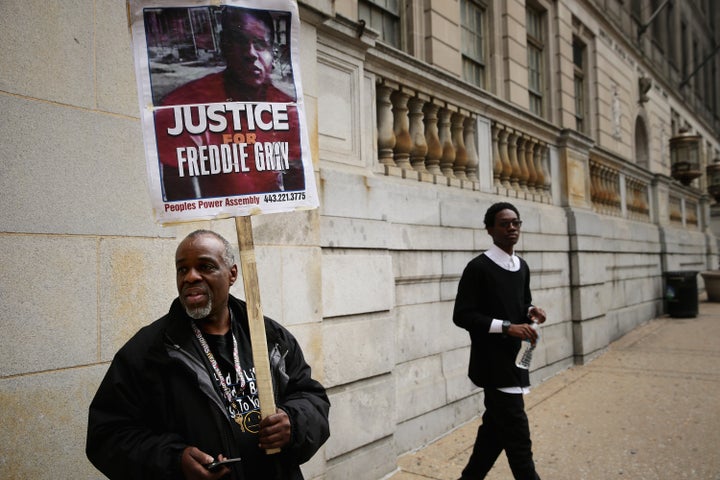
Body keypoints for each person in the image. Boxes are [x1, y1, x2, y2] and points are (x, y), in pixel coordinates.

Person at [87, 230, 330, 479]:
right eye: (182, 269)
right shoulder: (148, 352)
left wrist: (294, 424)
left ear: (232, 274)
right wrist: (175, 460)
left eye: (205, 266)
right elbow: (107, 436)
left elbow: (311, 397)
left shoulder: (270, 336)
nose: (191, 277)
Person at [154, 7, 304, 201]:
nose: (250, 53)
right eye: (240, 41)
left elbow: (296, 190)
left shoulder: (287, 110)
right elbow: (183, 200)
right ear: (224, 45)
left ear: (272, 52)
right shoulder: (186, 105)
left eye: (260, 43)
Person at [453, 202, 546, 480]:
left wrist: (531, 312)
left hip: (514, 362)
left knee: (493, 434)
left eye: (516, 222)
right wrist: (507, 328)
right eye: (504, 223)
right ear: (490, 229)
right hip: (492, 365)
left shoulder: (522, 266)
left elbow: (521, 304)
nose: (512, 228)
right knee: (519, 441)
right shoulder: (478, 267)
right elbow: (463, 316)